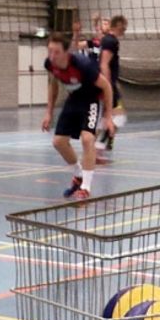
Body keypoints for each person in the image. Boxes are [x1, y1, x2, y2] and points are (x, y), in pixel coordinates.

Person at [40, 31, 116, 201]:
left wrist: (108, 116)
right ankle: (78, 175)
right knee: (58, 142)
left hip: (90, 100)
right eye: (49, 51)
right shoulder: (50, 64)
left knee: (87, 139)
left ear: (66, 52)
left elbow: (107, 87)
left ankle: (86, 188)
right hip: (73, 100)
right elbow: (53, 85)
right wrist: (48, 112)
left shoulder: (83, 66)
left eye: (56, 52)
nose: (52, 55)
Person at [97, 15, 128, 152]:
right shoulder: (111, 41)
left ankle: (100, 147)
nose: (125, 29)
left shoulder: (107, 40)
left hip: (108, 82)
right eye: (124, 26)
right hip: (106, 83)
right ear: (118, 25)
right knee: (119, 117)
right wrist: (108, 85)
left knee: (108, 116)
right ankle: (98, 145)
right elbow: (104, 64)